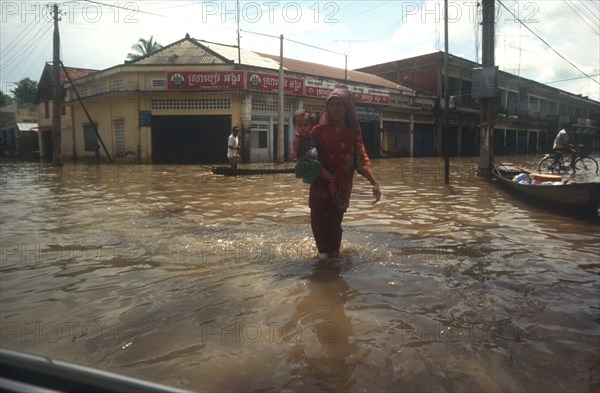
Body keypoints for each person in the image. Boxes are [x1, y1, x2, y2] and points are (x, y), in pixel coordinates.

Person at [309, 86, 381, 259]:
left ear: (347, 108)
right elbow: (307, 158)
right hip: (319, 189)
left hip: (340, 192)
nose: (333, 109)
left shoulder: (354, 135)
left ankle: (332, 269)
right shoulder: (318, 131)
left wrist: (374, 182)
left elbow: (362, 161)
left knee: (334, 235)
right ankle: (326, 272)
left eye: (338, 105)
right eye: (331, 105)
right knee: (319, 234)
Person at [289, 109, 340, 206]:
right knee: (331, 179)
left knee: (320, 179)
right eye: (299, 125)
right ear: (294, 126)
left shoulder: (312, 135)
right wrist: (293, 153)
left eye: (306, 125)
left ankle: (325, 193)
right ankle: (334, 198)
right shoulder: (297, 140)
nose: (302, 128)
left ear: (311, 126)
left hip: (314, 163)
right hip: (310, 165)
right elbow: (294, 151)